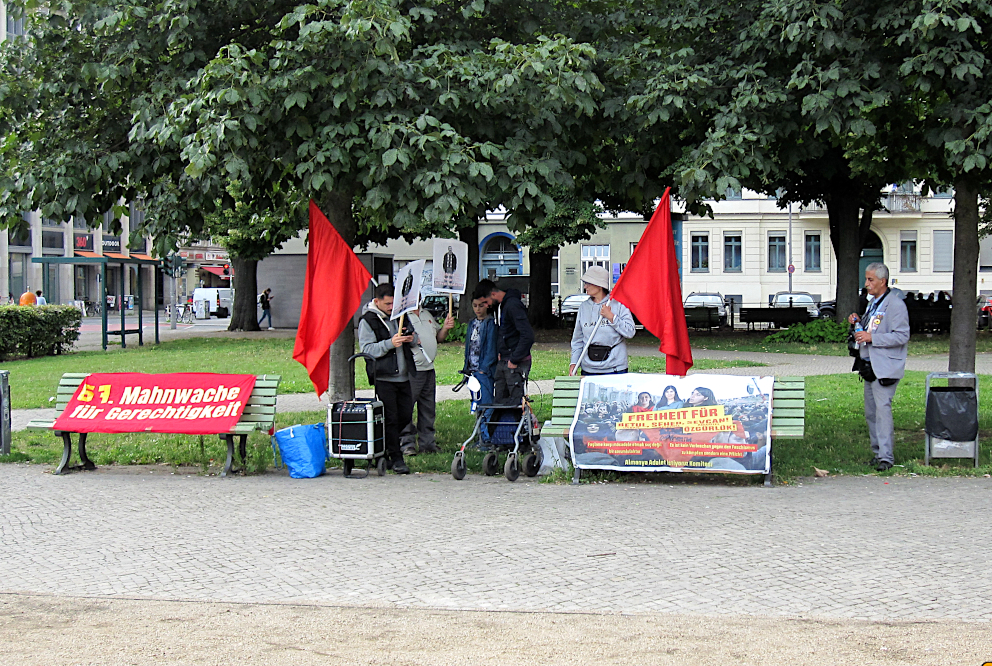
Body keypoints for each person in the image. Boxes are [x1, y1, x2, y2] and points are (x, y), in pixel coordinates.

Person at [847, 262, 909, 472]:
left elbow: (902, 336)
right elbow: (870, 327)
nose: (866, 284)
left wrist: (872, 337)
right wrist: (857, 323)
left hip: (885, 366)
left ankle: (886, 457)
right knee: (871, 413)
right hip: (869, 365)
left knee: (882, 411)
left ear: (883, 281)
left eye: (870, 280)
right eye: (866, 279)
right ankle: (877, 452)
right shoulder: (874, 303)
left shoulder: (896, 304)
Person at [357, 283, 416, 475]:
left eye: (394, 303)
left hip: (404, 375)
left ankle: (383, 446)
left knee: (405, 415)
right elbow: (367, 349)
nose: (391, 307)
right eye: (388, 304)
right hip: (384, 376)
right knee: (390, 418)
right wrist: (389, 344)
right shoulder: (368, 320)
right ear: (377, 301)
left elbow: (414, 339)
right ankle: (396, 457)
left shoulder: (401, 315)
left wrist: (409, 338)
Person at [399, 301, 455, 456]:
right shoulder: (402, 316)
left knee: (428, 408)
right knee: (407, 408)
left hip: (428, 368)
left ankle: (427, 443)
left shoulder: (426, 314)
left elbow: (439, 337)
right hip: (412, 369)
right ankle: (406, 443)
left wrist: (445, 328)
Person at [569, 266, 636, 375]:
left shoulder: (618, 305)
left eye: (588, 283)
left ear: (599, 285)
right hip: (589, 370)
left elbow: (630, 331)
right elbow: (578, 339)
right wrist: (574, 362)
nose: (585, 286)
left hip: (615, 369)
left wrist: (612, 317)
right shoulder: (583, 307)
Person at [487, 281, 534, 406]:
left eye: (487, 302)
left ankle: (516, 424)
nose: (487, 306)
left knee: (515, 402)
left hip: (515, 361)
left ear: (492, 294)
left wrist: (515, 359)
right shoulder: (504, 306)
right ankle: (503, 425)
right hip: (506, 357)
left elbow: (527, 335)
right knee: (500, 400)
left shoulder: (512, 305)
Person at [461, 288, 499, 406]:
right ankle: (479, 422)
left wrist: (483, 369)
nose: (477, 309)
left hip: (484, 370)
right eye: (475, 305)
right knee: (476, 401)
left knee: (486, 401)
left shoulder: (490, 323)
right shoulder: (472, 323)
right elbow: (469, 347)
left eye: (481, 306)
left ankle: (485, 424)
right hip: (471, 369)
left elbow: (491, 349)